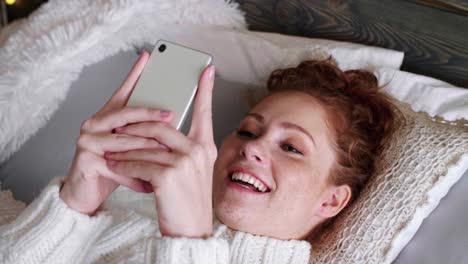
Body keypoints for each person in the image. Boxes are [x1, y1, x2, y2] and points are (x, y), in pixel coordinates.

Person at [0, 50, 397, 263]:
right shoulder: (118, 224)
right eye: (247, 131)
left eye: (291, 147)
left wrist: (187, 241)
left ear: (331, 200)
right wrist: (73, 206)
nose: (253, 147)